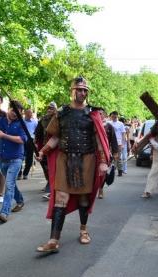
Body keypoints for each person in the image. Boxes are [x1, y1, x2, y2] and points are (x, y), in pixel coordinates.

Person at [36, 77, 109, 253]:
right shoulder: (61, 113)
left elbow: (99, 139)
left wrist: (103, 161)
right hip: (64, 159)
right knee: (60, 198)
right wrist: (43, 151)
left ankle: (83, 230)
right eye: (79, 89)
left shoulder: (93, 114)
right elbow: (55, 137)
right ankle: (53, 240)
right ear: (72, 91)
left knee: (84, 197)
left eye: (85, 90)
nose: (83, 93)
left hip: (87, 159)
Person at [35, 102, 58, 199]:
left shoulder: (58, 119)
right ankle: (49, 183)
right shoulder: (43, 120)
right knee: (45, 167)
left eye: (52, 108)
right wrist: (36, 143)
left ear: (55, 110)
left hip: (55, 147)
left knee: (52, 167)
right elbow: (38, 133)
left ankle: (51, 187)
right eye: (48, 108)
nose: (49, 110)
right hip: (44, 146)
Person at [95, 108, 118, 199]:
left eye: (101, 114)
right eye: (98, 113)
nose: (100, 115)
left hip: (105, 153)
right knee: (92, 173)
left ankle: (100, 189)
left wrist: (115, 152)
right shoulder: (92, 125)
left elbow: (114, 140)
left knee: (103, 172)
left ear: (105, 115)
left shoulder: (109, 126)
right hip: (92, 153)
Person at [18, 108, 38, 180]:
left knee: (29, 158)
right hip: (22, 140)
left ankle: (25, 173)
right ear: (25, 114)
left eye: (31, 113)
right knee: (20, 157)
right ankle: (19, 173)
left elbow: (37, 132)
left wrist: (36, 142)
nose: (31, 114)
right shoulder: (21, 121)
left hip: (31, 140)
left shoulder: (35, 122)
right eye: (29, 113)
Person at [109, 111, 126, 176]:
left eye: (115, 117)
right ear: (111, 116)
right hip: (110, 142)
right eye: (112, 117)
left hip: (118, 142)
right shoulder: (109, 123)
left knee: (118, 157)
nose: (113, 118)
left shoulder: (120, 124)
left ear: (117, 116)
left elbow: (123, 134)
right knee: (111, 157)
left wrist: (122, 143)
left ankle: (120, 170)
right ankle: (112, 170)